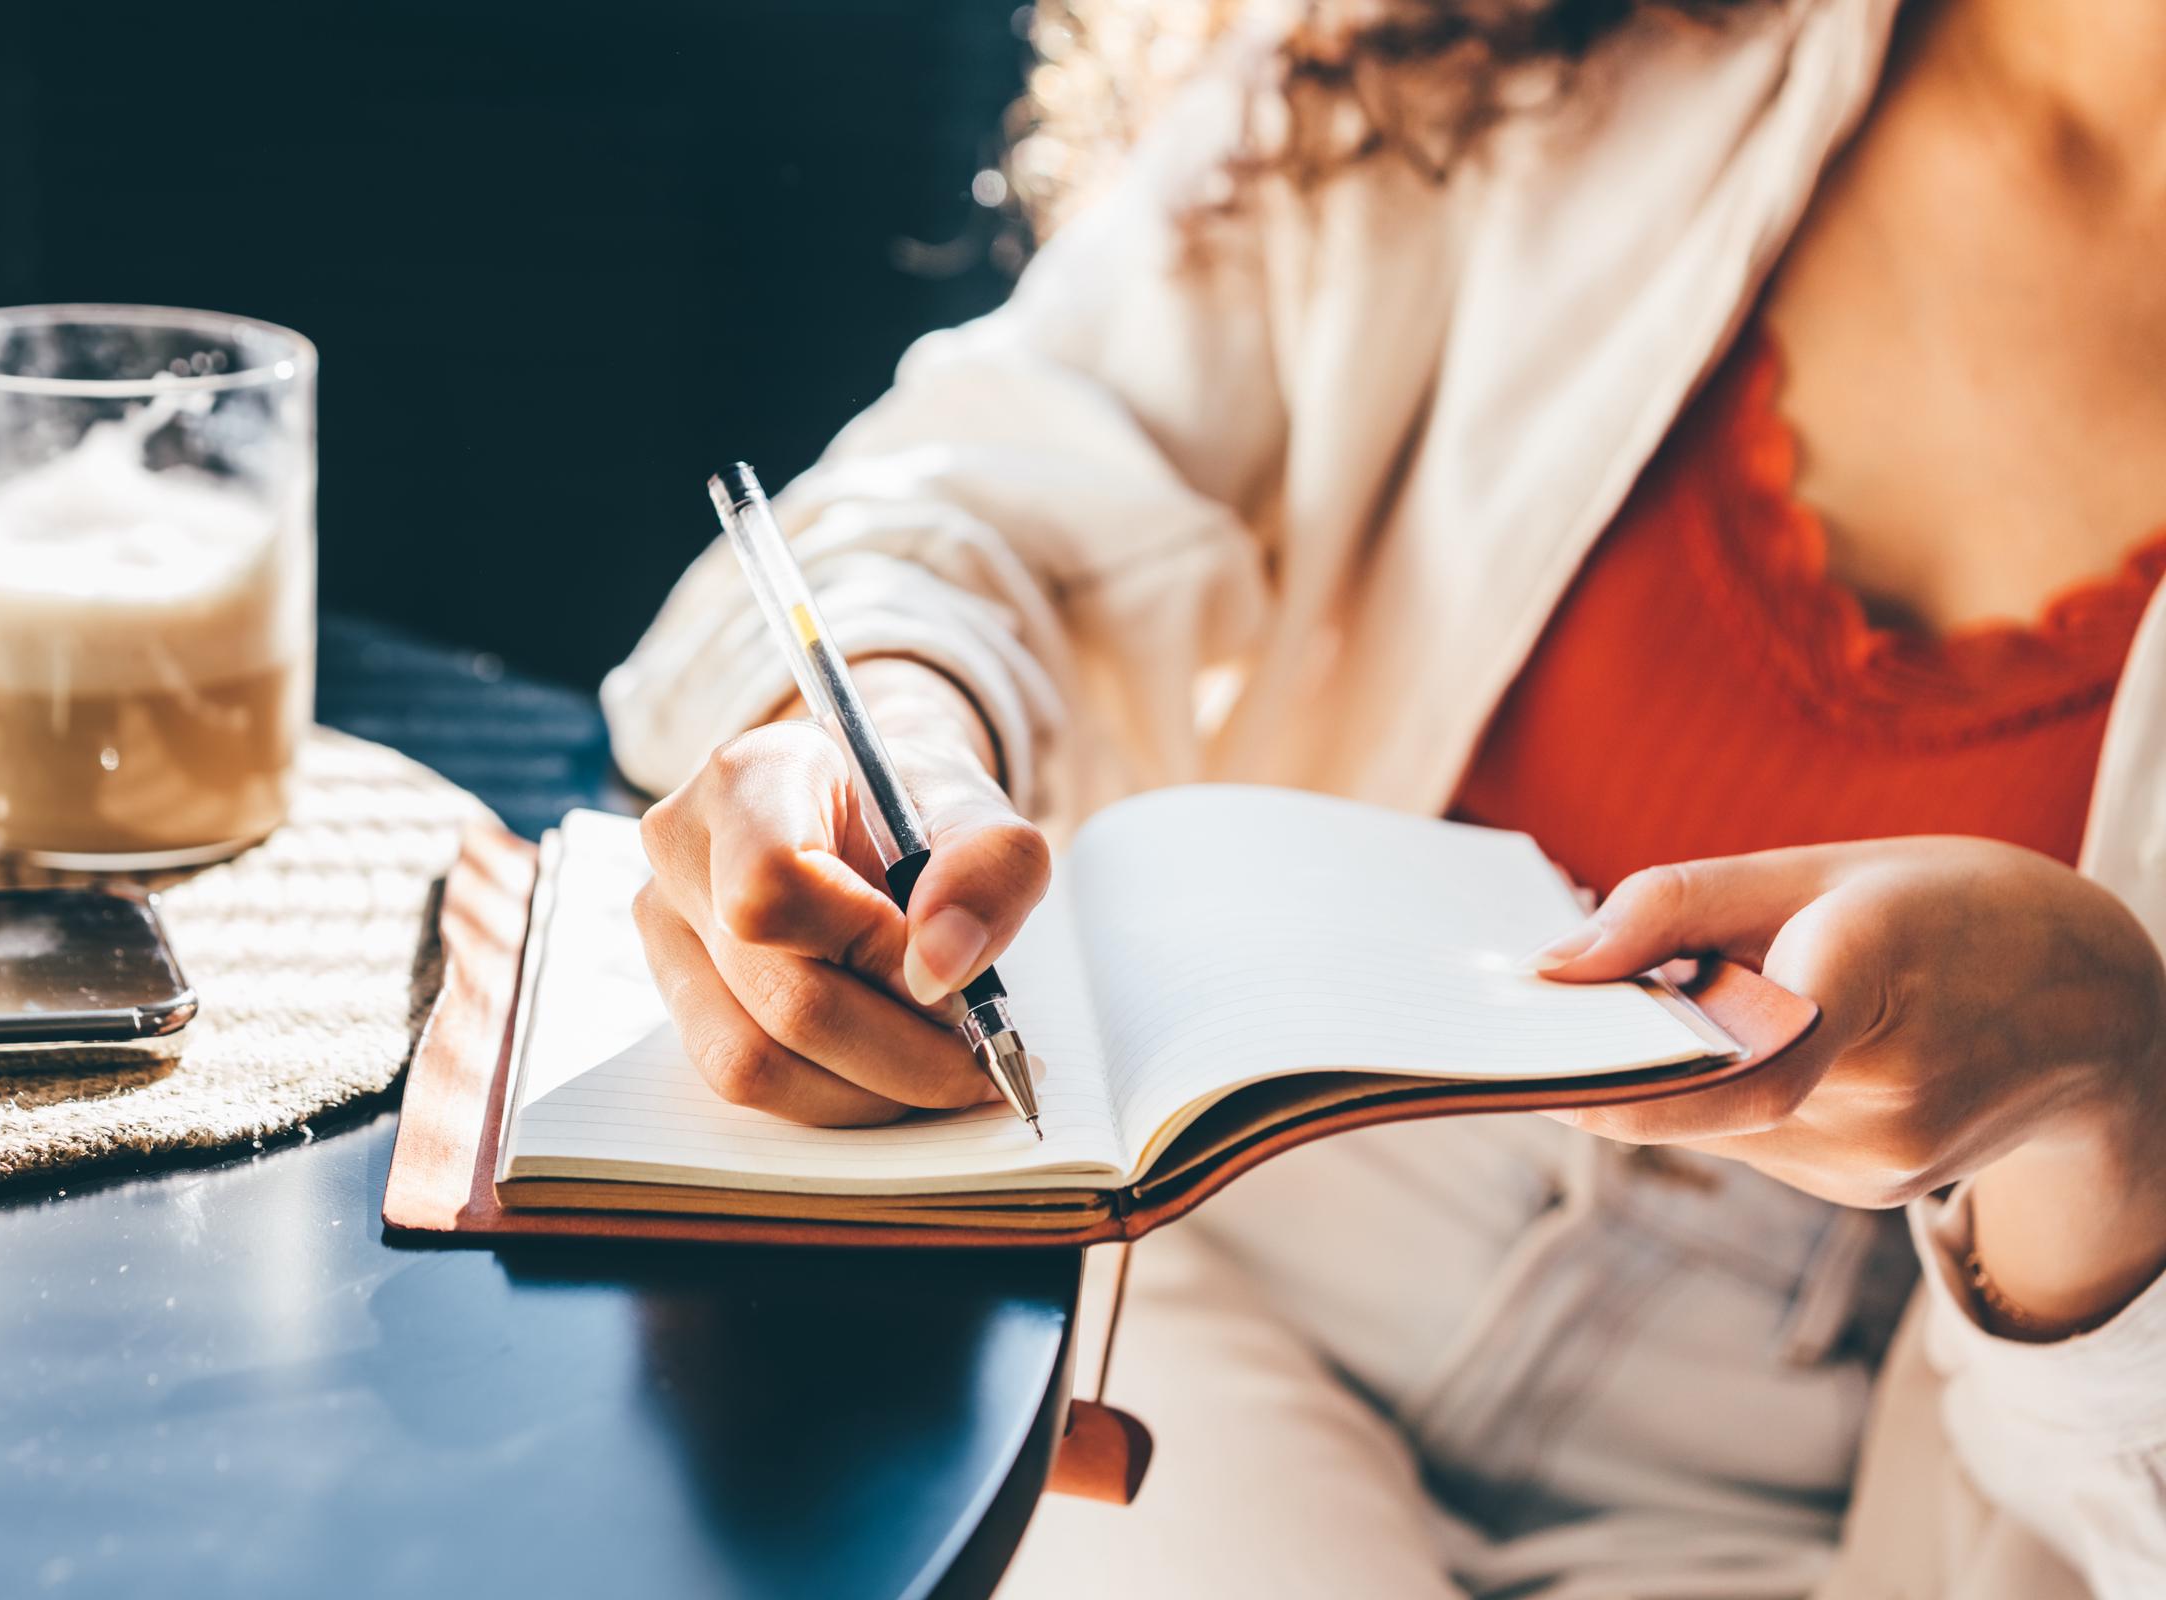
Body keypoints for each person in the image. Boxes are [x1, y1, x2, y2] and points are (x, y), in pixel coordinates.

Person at [602, 0, 2166, 1593]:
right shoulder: (1508, 38)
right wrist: (887, 726)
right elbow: (972, 490)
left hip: (1877, 1503)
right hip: (1225, 1248)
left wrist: (2113, 1116)